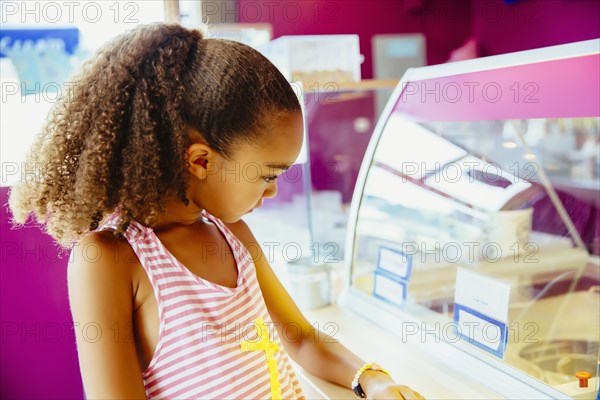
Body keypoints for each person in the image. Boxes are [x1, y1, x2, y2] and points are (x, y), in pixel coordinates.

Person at [8, 23, 425, 400]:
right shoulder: (111, 259)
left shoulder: (234, 235)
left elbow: (301, 339)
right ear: (201, 161)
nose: (273, 191)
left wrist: (372, 378)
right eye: (267, 175)